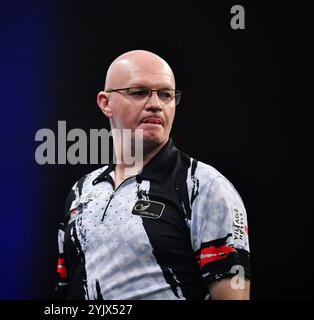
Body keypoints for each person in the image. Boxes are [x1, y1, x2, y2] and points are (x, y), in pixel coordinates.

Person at [55, 50, 250, 300]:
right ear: (106, 103)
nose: (156, 104)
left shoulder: (204, 186)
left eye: (166, 95)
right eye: (139, 92)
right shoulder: (81, 192)